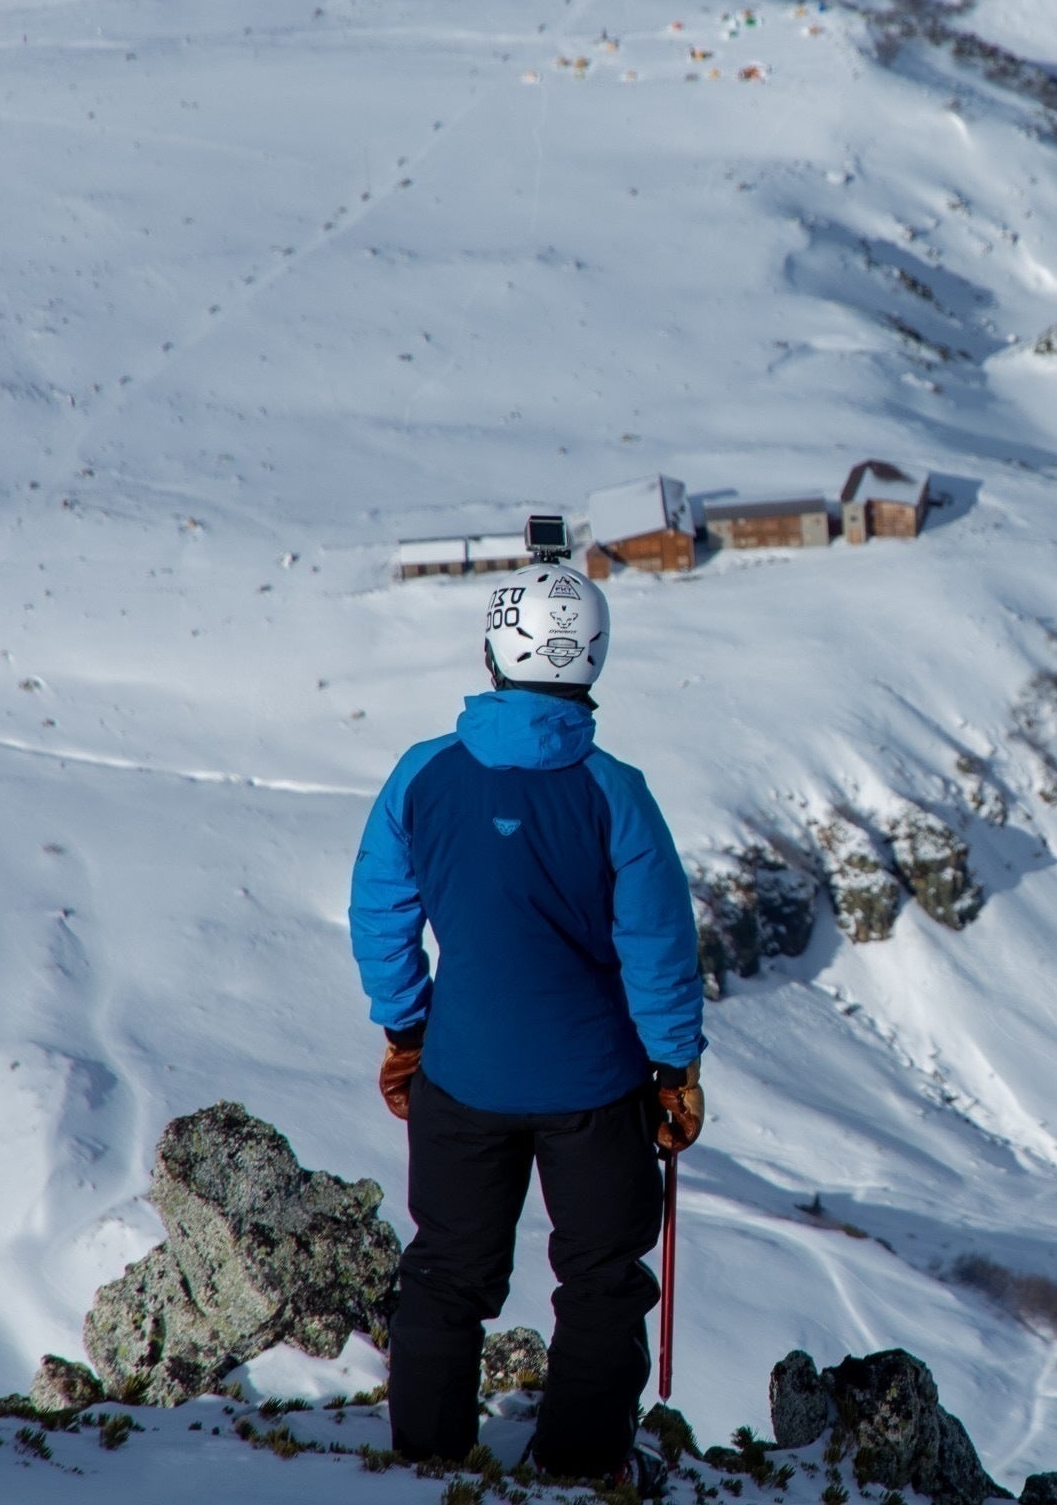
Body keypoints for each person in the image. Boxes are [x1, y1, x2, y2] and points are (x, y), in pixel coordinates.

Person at [347, 555, 705, 1485]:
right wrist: (674, 1068)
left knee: (444, 1272)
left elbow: (383, 910)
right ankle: (584, 1470)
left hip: (461, 1076)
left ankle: (426, 1464)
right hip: (597, 1087)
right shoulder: (614, 792)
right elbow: (658, 943)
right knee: (599, 1281)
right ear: (593, 658)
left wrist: (407, 1031)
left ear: (493, 652)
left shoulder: (423, 776)